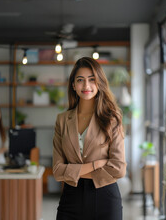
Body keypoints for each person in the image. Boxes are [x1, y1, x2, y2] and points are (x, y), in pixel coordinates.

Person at [53, 57, 126, 220]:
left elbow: (119, 168)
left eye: (92, 80)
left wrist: (72, 171)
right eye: (80, 80)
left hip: (106, 199)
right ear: (73, 85)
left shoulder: (112, 119)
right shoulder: (62, 120)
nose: (86, 86)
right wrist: (96, 165)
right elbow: (57, 171)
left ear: (99, 82)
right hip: (70, 199)